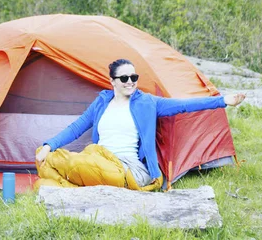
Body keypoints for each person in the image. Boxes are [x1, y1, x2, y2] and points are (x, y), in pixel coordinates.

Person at [35, 59, 246, 190]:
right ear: (112, 81)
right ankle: (72, 184)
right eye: (124, 77)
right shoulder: (101, 102)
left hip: (127, 168)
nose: (130, 81)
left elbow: (183, 105)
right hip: (98, 157)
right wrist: (48, 146)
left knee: (74, 164)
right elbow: (76, 128)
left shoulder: (147, 103)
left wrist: (222, 101)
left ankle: (71, 182)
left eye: (133, 77)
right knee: (44, 159)